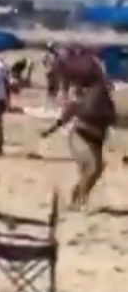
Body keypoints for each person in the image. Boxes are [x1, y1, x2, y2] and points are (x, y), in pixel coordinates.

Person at [42, 68, 117, 207]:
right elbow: (66, 116)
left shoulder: (107, 103)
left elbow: (113, 121)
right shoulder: (84, 98)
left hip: (96, 140)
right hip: (80, 136)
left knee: (94, 170)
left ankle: (77, 195)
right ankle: (80, 200)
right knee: (93, 168)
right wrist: (49, 131)